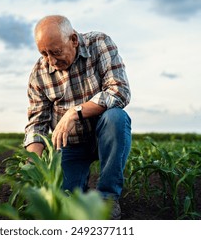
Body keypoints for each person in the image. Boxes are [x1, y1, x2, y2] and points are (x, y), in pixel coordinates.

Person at [23, 15, 132, 219]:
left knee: (117, 118)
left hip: (104, 134)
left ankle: (107, 196)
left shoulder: (99, 44)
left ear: (73, 40)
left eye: (56, 52)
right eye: (44, 54)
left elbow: (119, 91)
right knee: (66, 202)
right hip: (71, 145)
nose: (52, 61)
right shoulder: (39, 74)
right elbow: (36, 124)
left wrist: (75, 112)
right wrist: (33, 164)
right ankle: (79, 189)